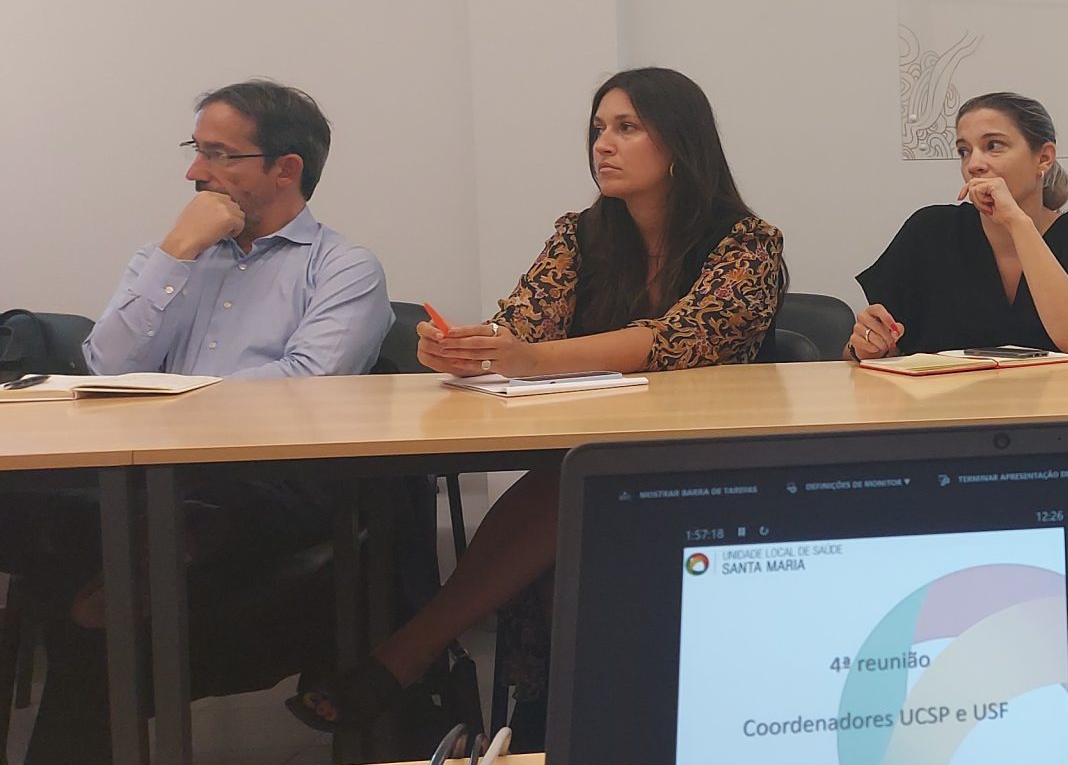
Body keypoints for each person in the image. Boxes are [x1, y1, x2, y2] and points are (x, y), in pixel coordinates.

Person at [289, 67, 784, 731]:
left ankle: (414, 658)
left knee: (574, 488)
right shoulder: (581, 235)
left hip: (713, 466)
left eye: (627, 128)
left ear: (680, 143)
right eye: (598, 129)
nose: (603, 144)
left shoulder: (747, 242)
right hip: (596, 455)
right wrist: (469, 348)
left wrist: (533, 359)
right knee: (577, 490)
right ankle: (550, 724)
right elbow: (522, 323)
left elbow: (681, 339)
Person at [2, 81, 390, 765]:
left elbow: (307, 386)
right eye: (196, 150)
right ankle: (135, 566)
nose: (194, 172)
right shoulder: (168, 258)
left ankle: (136, 564)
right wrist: (177, 251)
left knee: (93, 596)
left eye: (218, 155)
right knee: (61, 552)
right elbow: (106, 365)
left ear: (286, 168)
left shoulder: (342, 268)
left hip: (266, 477)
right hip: (152, 478)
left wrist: (176, 406)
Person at [849, 93, 1068, 359]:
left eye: (994, 146)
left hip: (1059, 388)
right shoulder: (929, 230)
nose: (974, 164)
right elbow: (871, 350)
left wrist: (1016, 221)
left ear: (1044, 158)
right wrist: (865, 345)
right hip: (946, 388)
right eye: (964, 151)